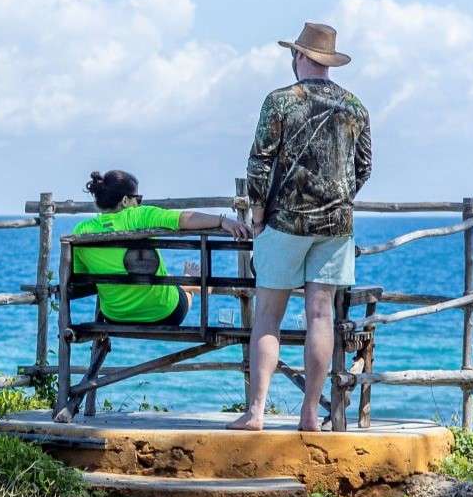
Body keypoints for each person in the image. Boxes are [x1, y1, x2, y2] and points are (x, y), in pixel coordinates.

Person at [230, 22, 372, 431]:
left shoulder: (280, 102)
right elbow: (363, 168)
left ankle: (256, 412)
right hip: (336, 226)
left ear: (301, 57)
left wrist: (258, 214)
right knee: (321, 317)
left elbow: (259, 162)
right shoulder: (356, 107)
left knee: (268, 317)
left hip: (285, 221)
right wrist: (339, 199)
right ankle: (310, 413)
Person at [74, 170, 251, 325]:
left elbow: (79, 277)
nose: (140, 203)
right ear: (126, 200)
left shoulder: (81, 231)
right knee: (176, 288)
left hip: (115, 316)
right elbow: (183, 219)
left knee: (159, 279)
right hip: (164, 313)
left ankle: (188, 281)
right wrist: (222, 220)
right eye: (138, 199)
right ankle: (193, 283)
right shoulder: (139, 216)